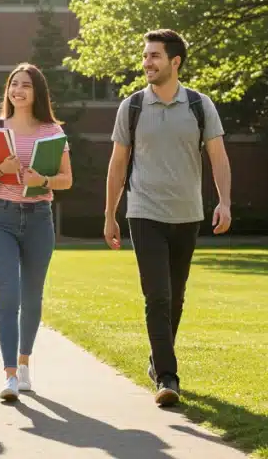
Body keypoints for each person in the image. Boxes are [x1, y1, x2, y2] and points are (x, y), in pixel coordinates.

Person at [104, 29, 232, 407]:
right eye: (145, 56)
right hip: (144, 212)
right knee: (157, 296)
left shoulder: (199, 105)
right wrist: (110, 214)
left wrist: (224, 202)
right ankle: (167, 376)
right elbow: (118, 164)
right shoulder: (132, 107)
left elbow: (218, 157)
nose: (147, 62)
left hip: (187, 214)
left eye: (155, 56)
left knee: (175, 297)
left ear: (175, 62)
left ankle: (156, 359)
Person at [0, 62, 73, 402]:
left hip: (39, 218)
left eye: (25, 85)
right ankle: (10, 374)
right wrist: (1, 168)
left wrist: (43, 180)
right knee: (8, 296)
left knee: (32, 296)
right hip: (1, 218)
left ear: (37, 91)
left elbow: (66, 179)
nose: (18, 90)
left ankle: (24, 362)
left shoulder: (52, 131)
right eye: (14, 84)